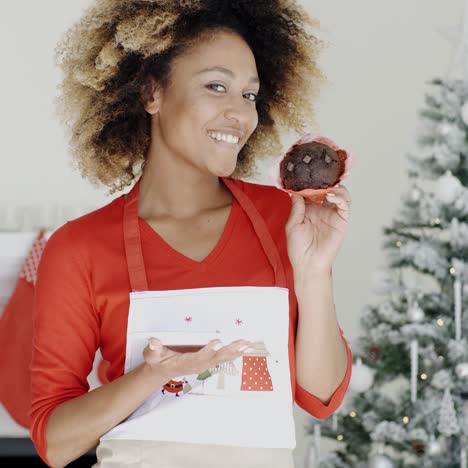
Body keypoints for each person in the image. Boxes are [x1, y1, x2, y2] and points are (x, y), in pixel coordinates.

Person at [29, 1, 353, 467]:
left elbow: (321, 397)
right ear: (152, 94)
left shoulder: (284, 218)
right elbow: (55, 443)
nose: (239, 114)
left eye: (249, 96)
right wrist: (151, 376)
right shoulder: (80, 248)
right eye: (216, 86)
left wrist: (316, 273)